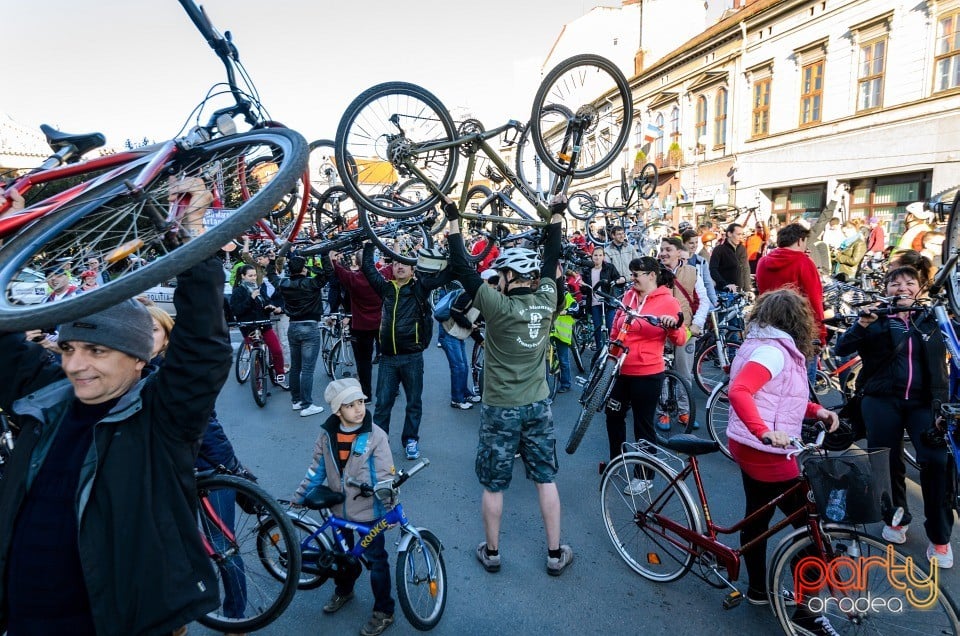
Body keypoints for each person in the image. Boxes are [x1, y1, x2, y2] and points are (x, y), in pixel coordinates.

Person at [0, 256, 232, 634]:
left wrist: (193, 243)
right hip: (25, 620)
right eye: (69, 348)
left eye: (97, 351)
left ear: (139, 359)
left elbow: (203, 348)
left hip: (113, 624)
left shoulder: (162, 417)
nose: (75, 365)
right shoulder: (47, 396)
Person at [445, 197, 574, 577]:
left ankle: (493, 551)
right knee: (545, 478)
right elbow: (552, 256)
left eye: (500, 274)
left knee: (493, 483)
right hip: (537, 403)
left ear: (508, 277)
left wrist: (453, 222)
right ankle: (554, 553)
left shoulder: (496, 306)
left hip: (500, 407)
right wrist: (556, 215)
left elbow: (462, 267)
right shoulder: (547, 298)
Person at [725, 289, 840, 628]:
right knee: (809, 528)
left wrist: (817, 410)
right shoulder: (774, 352)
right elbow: (740, 391)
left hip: (750, 443)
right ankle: (806, 614)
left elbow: (781, 398)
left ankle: (759, 590)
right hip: (764, 448)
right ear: (798, 322)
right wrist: (763, 431)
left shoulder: (767, 346)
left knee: (756, 517)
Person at [835, 266, 954, 568]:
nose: (902, 287)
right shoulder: (875, 318)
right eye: (894, 283)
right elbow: (842, 349)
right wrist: (861, 324)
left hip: (925, 403)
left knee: (936, 462)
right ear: (885, 288)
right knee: (886, 463)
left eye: (909, 282)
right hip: (880, 401)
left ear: (920, 288)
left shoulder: (933, 319)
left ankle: (939, 538)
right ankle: (895, 518)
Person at [293, 378, 397, 636]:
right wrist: (301, 494)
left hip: (369, 513)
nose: (359, 409)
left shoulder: (375, 435)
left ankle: (384, 610)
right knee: (342, 558)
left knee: (377, 562)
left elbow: (385, 475)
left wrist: (390, 505)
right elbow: (316, 469)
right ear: (338, 411)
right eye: (350, 405)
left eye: (361, 402)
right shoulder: (327, 435)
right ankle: (344, 590)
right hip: (338, 511)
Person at [361, 242, 448, 460]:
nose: (400, 266)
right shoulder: (386, 288)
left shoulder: (419, 288)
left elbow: (446, 274)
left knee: (413, 402)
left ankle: (411, 440)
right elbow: (368, 269)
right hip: (388, 358)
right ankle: (379, 442)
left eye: (405, 264)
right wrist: (371, 242)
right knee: (382, 404)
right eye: (397, 262)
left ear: (413, 269)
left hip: (412, 357)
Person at [604, 256, 687, 483]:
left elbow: (680, 338)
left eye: (636, 274)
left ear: (651, 275)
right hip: (620, 370)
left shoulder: (668, 302)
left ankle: (644, 476)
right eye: (631, 274)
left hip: (647, 373)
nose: (631, 279)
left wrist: (671, 327)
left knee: (643, 425)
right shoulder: (630, 295)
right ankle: (616, 461)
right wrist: (611, 350)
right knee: (613, 416)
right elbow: (617, 322)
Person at [658, 237, 708, 430]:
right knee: (660, 373)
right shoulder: (655, 272)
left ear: (679, 252)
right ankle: (663, 413)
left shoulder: (693, 272)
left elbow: (703, 301)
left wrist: (697, 324)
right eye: (662, 249)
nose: (663, 253)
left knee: (685, 374)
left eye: (668, 249)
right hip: (660, 331)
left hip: (684, 330)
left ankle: (684, 411)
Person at [754, 223, 827, 348]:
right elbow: (814, 299)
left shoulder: (763, 261)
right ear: (800, 241)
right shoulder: (804, 262)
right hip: (798, 326)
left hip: (768, 323)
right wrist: (820, 333)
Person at [279, 254, 329, 417]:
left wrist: (274, 261)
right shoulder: (311, 283)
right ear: (303, 268)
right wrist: (320, 259)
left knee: (296, 366)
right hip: (309, 325)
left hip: (293, 326)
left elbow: (272, 275)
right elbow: (327, 273)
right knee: (307, 369)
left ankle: (296, 401)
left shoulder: (284, 283)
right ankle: (307, 404)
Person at [329, 249, 383, 402]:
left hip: (360, 325)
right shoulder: (381, 277)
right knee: (388, 357)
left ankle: (367, 394)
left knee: (363, 362)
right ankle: (392, 388)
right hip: (380, 323)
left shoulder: (353, 278)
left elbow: (336, 268)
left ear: (357, 263)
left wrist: (333, 256)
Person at [231, 264, 287, 389]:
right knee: (255, 358)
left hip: (263, 324)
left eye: (255, 275)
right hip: (248, 327)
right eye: (250, 276)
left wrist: (269, 307)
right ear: (243, 276)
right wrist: (251, 298)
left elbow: (266, 302)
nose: (253, 278)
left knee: (276, 350)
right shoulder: (238, 292)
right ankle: (258, 384)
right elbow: (237, 311)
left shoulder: (259, 289)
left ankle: (280, 375)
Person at [581, 246, 620, 349]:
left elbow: (618, 279)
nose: (597, 258)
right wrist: (582, 285)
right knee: (597, 328)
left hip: (608, 301)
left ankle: (612, 349)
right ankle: (599, 350)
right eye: (595, 255)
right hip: (594, 302)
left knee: (610, 326)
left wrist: (618, 281)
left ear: (603, 257)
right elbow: (584, 290)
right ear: (592, 257)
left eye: (600, 255)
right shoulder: (587, 270)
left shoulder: (609, 267)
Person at [681, 228, 718, 309]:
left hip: (699, 298)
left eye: (696, 242)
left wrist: (714, 301)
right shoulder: (678, 260)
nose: (694, 245)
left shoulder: (701, 261)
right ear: (683, 243)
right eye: (691, 243)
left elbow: (707, 282)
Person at [709, 223, 750, 293]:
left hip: (740, 292)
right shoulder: (719, 250)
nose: (741, 237)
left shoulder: (742, 249)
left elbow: (746, 268)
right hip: (724, 292)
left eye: (742, 234)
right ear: (729, 234)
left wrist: (747, 289)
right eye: (738, 234)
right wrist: (725, 284)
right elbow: (713, 270)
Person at [604, 225, 639, 296]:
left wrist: (629, 277)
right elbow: (608, 269)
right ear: (613, 236)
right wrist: (617, 280)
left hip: (630, 283)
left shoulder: (630, 248)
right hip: (616, 285)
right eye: (619, 234)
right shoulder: (607, 251)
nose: (622, 236)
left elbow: (637, 265)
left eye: (623, 233)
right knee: (617, 306)